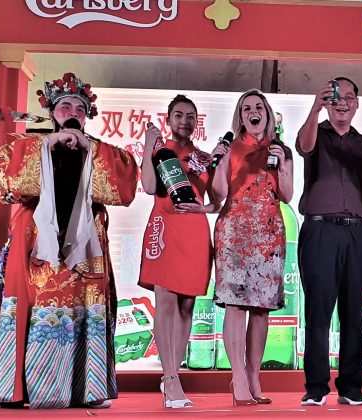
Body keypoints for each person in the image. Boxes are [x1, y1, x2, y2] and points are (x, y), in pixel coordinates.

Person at [0, 72, 138, 409]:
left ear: (87, 116)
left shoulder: (98, 150)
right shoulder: (28, 146)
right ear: (53, 112)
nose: (73, 113)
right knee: (33, 307)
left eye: (80, 109)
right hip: (35, 246)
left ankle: (86, 389)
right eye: (65, 106)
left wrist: (89, 148)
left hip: (86, 247)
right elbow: (7, 183)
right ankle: (24, 389)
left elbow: (125, 189)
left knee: (85, 307)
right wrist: (48, 145)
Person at [296, 77, 362, 406]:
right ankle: (316, 387)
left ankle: (351, 387)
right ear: (327, 102)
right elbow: (304, 147)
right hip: (320, 231)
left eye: (349, 97)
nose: (342, 103)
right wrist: (315, 109)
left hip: (357, 232)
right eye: (336, 97)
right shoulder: (315, 132)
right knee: (318, 312)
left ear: (357, 103)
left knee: (354, 313)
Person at [138, 94, 221, 408]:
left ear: (196, 122)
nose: (184, 121)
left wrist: (204, 208)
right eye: (178, 115)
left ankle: (172, 373)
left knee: (187, 306)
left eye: (190, 117)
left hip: (195, 233)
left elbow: (217, 201)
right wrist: (149, 144)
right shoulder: (160, 150)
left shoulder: (204, 157)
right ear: (169, 119)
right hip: (165, 228)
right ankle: (171, 377)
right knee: (166, 304)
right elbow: (149, 187)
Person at [212, 89, 294, 406]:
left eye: (258, 107)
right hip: (234, 232)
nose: (253, 112)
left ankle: (254, 375)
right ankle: (238, 378)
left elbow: (287, 195)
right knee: (235, 305)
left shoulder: (281, 149)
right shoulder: (231, 148)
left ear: (267, 114)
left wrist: (282, 165)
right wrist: (219, 160)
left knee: (261, 309)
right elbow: (219, 192)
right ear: (241, 117)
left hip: (269, 234)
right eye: (246, 108)